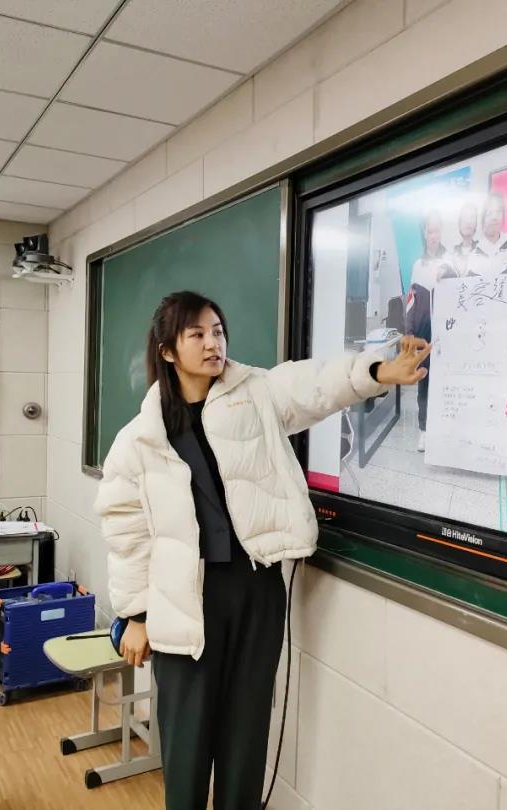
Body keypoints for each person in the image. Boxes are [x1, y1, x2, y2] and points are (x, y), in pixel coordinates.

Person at [96, 291, 429, 810]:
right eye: (197, 334)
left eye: (218, 331)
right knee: (187, 738)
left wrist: (380, 372)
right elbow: (125, 531)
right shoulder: (140, 438)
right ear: (167, 351)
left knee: (247, 729)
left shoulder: (256, 392)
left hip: (255, 587)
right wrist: (135, 614)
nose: (213, 343)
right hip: (183, 598)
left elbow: (317, 385)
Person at [406, 209, 447, 452]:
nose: (433, 235)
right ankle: (424, 430)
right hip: (423, 336)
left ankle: (442, 429)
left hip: (446, 334)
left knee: (443, 382)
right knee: (424, 381)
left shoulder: (450, 261)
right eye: (430, 231)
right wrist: (410, 331)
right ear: (424, 233)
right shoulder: (418, 265)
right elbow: (411, 301)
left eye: (437, 231)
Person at [476, 192, 507, 276]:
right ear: (483, 217)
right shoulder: (473, 248)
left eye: (498, 212)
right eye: (489, 213)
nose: (494, 217)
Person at [440, 201, 480, 279]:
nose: (468, 222)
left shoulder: (483, 251)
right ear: (459, 223)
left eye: (472, 217)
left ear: (476, 224)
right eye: (465, 217)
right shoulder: (450, 254)